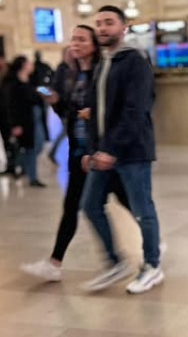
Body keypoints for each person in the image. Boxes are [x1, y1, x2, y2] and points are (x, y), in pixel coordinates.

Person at [21, 26, 130, 282]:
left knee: (117, 200)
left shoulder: (100, 72)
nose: (75, 44)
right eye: (73, 39)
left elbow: (108, 108)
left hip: (99, 151)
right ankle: (55, 262)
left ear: (93, 44)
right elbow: (68, 113)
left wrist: (89, 116)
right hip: (78, 152)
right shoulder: (71, 73)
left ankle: (135, 251)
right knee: (77, 205)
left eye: (81, 39)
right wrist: (56, 101)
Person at [81, 5, 164, 294]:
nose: (103, 28)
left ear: (124, 27)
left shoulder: (134, 60)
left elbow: (136, 109)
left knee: (142, 210)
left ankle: (152, 265)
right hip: (103, 152)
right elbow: (93, 111)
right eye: (99, 23)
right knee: (90, 205)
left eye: (109, 23)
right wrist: (92, 149)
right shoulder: (102, 62)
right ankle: (116, 262)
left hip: (132, 152)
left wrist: (112, 148)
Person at [6, 56, 47, 187]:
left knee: (38, 145)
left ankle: (23, 167)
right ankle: (32, 176)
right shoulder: (14, 84)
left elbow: (39, 92)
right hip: (25, 120)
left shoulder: (31, 80)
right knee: (31, 147)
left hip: (35, 117)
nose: (31, 64)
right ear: (23, 65)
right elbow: (11, 106)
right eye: (28, 63)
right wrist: (15, 124)